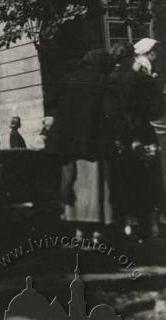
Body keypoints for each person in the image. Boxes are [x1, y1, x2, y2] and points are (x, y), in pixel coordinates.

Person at [49, 49, 116, 244]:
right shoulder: (103, 80)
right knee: (97, 187)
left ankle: (78, 230)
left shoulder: (69, 78)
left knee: (75, 184)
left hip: (69, 144)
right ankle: (97, 232)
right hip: (95, 143)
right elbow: (110, 112)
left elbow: (51, 100)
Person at [107, 39, 163, 238]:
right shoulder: (138, 76)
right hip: (140, 131)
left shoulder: (110, 78)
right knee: (147, 176)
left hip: (121, 135)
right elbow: (153, 106)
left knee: (126, 178)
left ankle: (129, 222)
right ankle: (150, 222)